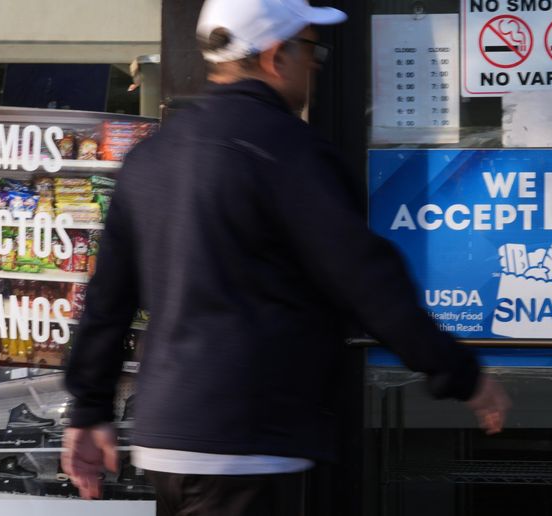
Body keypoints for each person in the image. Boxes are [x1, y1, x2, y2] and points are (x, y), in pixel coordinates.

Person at [61, 0, 511, 514]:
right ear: (277, 56)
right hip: (250, 439)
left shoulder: (151, 157)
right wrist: (459, 373)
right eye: (312, 50)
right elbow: (366, 280)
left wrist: (89, 410)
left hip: (168, 437)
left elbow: (107, 300)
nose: (316, 64)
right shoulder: (288, 150)